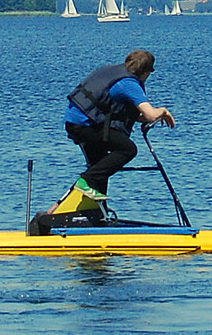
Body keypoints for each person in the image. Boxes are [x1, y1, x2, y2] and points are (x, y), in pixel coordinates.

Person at [35, 50, 175, 229]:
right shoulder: (129, 84)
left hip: (77, 122)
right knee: (128, 150)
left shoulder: (112, 71)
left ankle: (95, 215)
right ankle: (86, 183)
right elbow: (150, 114)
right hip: (86, 126)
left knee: (101, 167)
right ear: (145, 72)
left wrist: (137, 117)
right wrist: (162, 111)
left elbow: (118, 109)